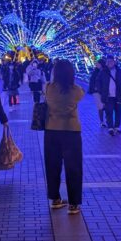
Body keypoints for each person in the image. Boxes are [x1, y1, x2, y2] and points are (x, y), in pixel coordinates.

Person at [44, 59, 84, 215]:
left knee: (52, 166)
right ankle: (73, 204)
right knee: (73, 167)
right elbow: (82, 93)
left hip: (51, 130)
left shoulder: (49, 88)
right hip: (71, 131)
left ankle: (55, 199)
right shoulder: (75, 90)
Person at [99, 55, 121, 135]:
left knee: (118, 111)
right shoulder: (103, 72)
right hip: (108, 96)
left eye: (111, 61)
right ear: (106, 63)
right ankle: (110, 127)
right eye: (108, 61)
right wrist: (102, 92)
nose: (110, 63)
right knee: (109, 112)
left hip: (118, 95)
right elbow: (98, 83)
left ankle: (117, 127)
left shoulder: (119, 71)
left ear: (114, 62)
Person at [87, 61, 106, 127]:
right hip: (96, 92)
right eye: (96, 64)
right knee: (100, 106)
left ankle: (107, 120)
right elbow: (92, 81)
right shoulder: (95, 71)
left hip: (104, 92)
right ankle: (102, 121)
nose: (96, 65)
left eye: (98, 64)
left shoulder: (105, 71)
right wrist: (93, 88)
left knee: (105, 106)